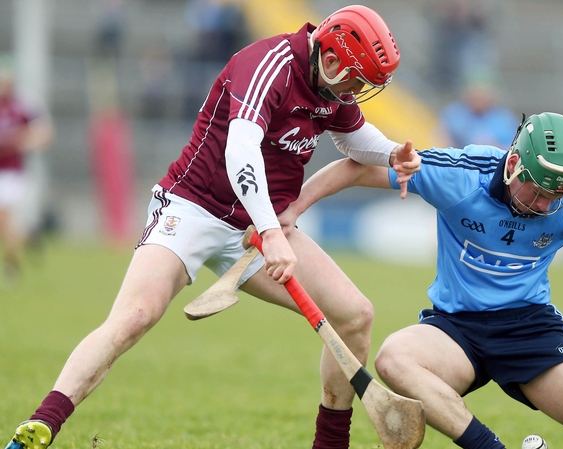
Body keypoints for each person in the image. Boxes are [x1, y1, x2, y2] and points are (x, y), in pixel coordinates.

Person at [5, 5, 419, 449]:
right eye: (358, 80)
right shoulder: (269, 65)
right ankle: (42, 425)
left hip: (255, 229)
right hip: (193, 209)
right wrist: (274, 232)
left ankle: (330, 444)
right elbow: (240, 152)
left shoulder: (330, 84)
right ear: (333, 60)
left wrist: (392, 152)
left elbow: (354, 138)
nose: (357, 91)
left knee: (356, 315)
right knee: (135, 317)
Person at [281, 112, 563, 448]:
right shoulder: (460, 176)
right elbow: (358, 167)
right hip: (455, 329)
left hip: (532, 330)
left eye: (556, 196)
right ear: (514, 163)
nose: (544, 206)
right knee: (395, 358)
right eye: (537, 191)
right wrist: (294, 210)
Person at [0, 54, 55, 287]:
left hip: (13, 173)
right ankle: (28, 237)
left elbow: (45, 134)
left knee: (4, 219)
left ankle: (11, 268)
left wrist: (20, 140)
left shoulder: (23, 103)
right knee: (7, 225)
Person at [436, 69, 518, 149]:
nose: (479, 96)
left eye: (484, 92)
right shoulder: (453, 115)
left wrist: (493, 146)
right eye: (475, 91)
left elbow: (513, 149)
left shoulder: (505, 120)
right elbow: (441, 142)